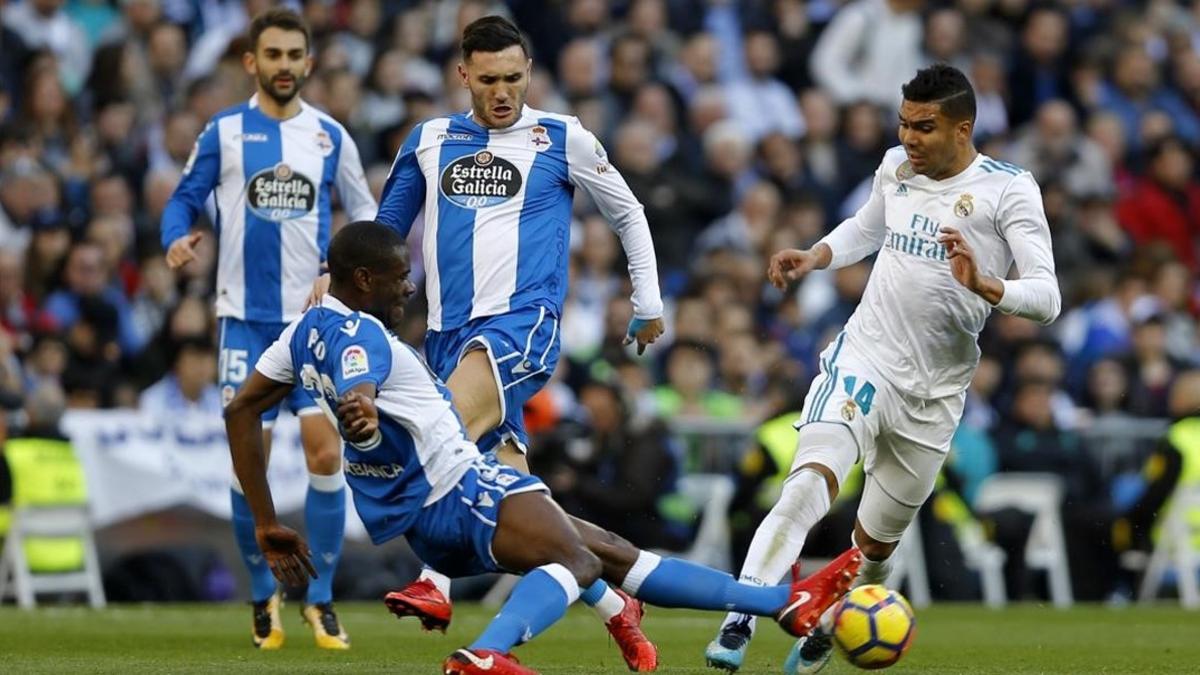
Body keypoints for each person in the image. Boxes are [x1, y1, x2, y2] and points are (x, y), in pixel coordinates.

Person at [223, 221, 863, 675]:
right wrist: (359, 408)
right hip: (460, 491)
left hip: (417, 515)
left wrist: (263, 520)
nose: (408, 289)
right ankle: (486, 654)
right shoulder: (360, 333)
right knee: (580, 564)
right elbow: (357, 374)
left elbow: (241, 409)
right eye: (398, 278)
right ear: (362, 279)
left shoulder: (300, 330)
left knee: (608, 551)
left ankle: (782, 602)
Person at [704, 64, 1061, 674]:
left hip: (936, 393)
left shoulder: (1009, 189)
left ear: (962, 128)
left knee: (874, 548)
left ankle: (830, 622)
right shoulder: (896, 167)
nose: (908, 138)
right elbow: (868, 228)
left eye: (923, 127)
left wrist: (985, 283)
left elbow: (1048, 299)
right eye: (903, 124)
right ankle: (740, 615)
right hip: (864, 357)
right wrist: (817, 255)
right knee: (809, 482)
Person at [373, 15, 666, 671]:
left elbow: (627, 210)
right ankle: (617, 608)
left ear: (528, 73)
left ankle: (436, 584)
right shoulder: (428, 140)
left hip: (519, 328)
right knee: (534, 525)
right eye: (488, 80)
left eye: (513, 78)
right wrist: (340, 278)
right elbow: (388, 231)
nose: (502, 91)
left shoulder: (562, 136)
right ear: (463, 76)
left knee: (434, 428)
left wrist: (647, 299)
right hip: (448, 339)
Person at [158, 8, 377, 651]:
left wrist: (339, 271)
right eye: (273, 55)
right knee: (245, 466)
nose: (284, 65)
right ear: (252, 63)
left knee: (327, 454)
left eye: (294, 55)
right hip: (245, 325)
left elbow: (367, 217)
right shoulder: (224, 131)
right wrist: (176, 237)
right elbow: (182, 197)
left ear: (308, 62)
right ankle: (262, 596)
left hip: (313, 328)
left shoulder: (331, 136)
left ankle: (322, 597)